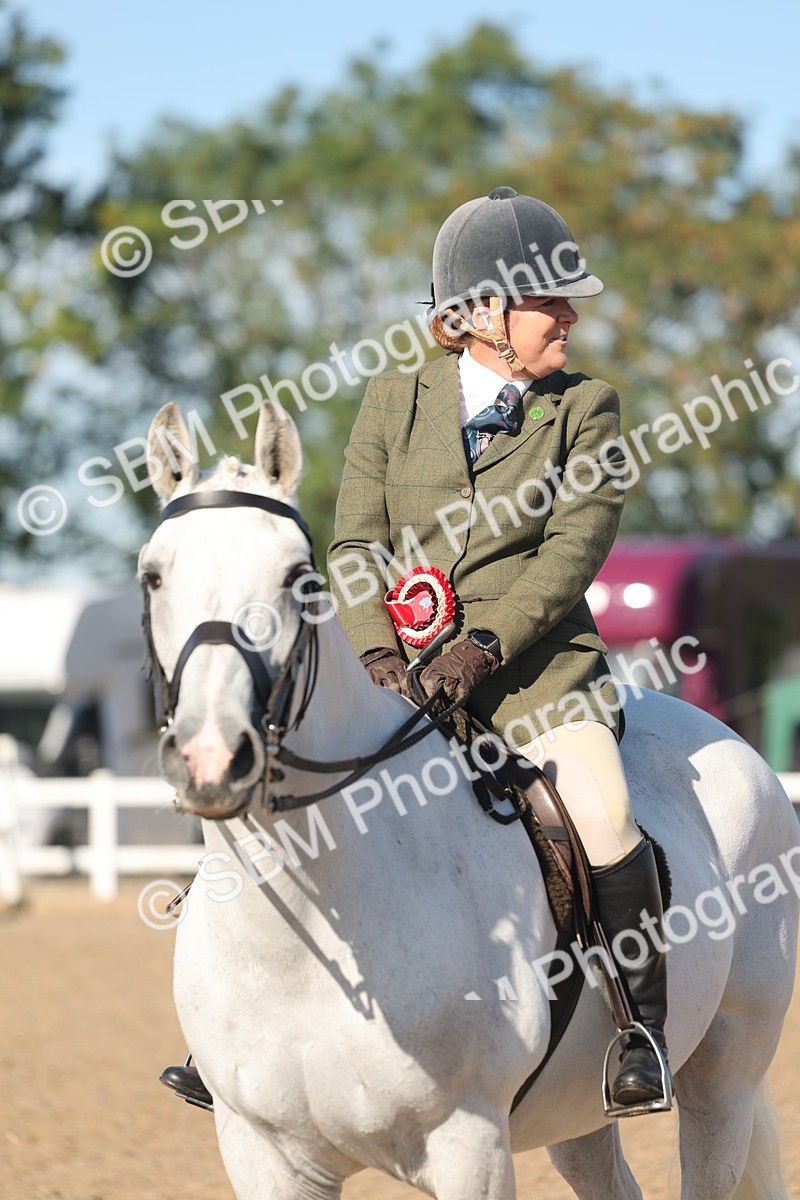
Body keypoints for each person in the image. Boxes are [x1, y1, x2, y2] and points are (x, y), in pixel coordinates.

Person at [325, 186, 672, 1114]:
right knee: (298, 796)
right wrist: (374, 654)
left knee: (602, 813)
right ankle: (238, 1031)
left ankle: (641, 1029)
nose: (570, 313)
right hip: (405, 673)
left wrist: (482, 645)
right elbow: (355, 543)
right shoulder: (393, 402)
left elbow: (573, 550)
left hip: (536, 679)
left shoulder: (585, 409)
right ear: (480, 313)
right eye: (549, 299)